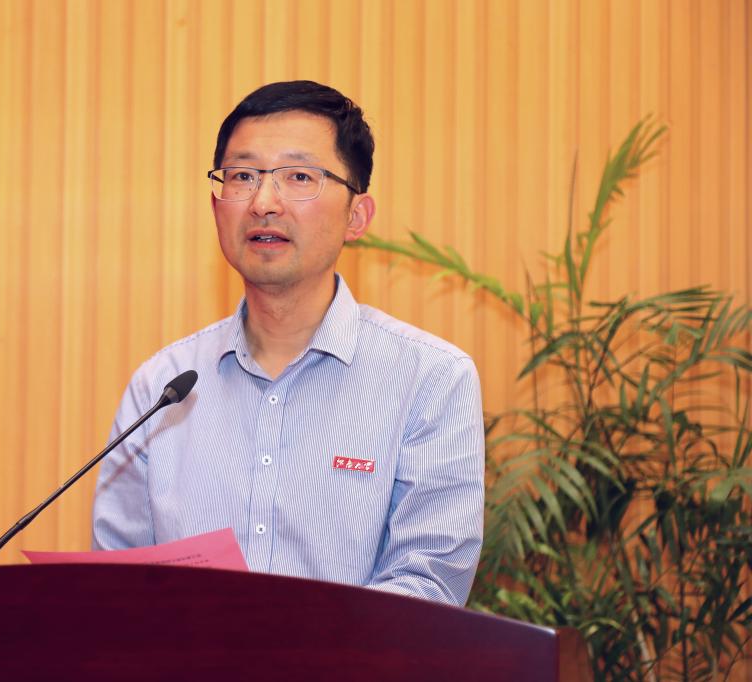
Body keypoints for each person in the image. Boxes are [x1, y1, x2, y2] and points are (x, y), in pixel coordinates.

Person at [91, 80, 484, 607]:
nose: (263, 203)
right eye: (242, 176)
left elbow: (428, 586)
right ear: (216, 207)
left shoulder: (430, 380)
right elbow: (115, 586)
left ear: (357, 216)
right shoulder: (161, 387)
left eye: (299, 177)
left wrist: (283, 641)